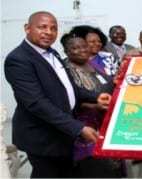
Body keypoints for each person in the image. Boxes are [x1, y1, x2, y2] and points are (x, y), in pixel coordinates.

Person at [4, 11, 111, 178]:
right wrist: (78, 128)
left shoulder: (52, 53)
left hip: (63, 132)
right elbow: (36, 103)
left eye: (53, 28)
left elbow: (68, 86)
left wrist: (95, 97)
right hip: (42, 137)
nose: (48, 32)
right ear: (27, 28)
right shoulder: (18, 59)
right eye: (42, 27)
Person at [60, 33, 124, 178]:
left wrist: (114, 82)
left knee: (113, 164)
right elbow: (71, 97)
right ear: (66, 52)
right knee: (96, 166)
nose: (82, 50)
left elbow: (104, 84)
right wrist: (94, 107)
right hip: (87, 125)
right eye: (75, 48)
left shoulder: (93, 63)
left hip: (107, 119)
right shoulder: (66, 70)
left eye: (84, 46)